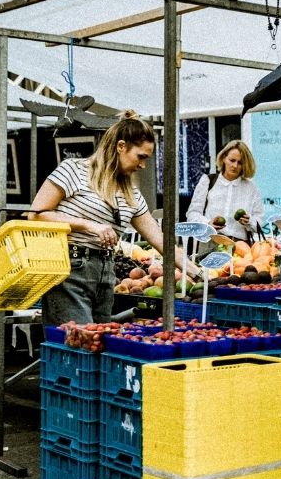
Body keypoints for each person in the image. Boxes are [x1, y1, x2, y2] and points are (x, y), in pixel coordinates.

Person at [30, 111, 200, 327]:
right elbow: (36, 215)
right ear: (121, 146)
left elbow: (160, 240)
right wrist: (89, 225)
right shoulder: (73, 170)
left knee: (98, 344)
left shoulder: (132, 194)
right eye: (141, 156)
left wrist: (197, 272)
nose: (143, 165)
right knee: (80, 342)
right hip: (69, 270)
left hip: (105, 274)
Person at [187, 140, 264, 243]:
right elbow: (192, 214)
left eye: (240, 162)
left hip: (239, 247)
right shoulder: (208, 181)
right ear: (224, 158)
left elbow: (260, 223)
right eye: (232, 160)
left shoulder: (251, 188)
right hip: (210, 243)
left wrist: (249, 221)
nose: (235, 165)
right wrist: (208, 223)